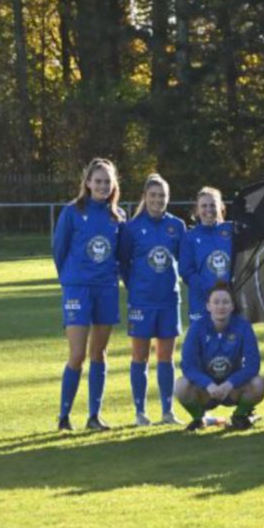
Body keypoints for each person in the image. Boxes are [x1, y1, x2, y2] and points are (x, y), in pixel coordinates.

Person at [53, 158, 126, 431]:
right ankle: (64, 417)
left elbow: (121, 256)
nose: (103, 186)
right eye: (98, 181)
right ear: (87, 183)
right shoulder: (72, 212)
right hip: (78, 290)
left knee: (100, 352)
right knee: (77, 354)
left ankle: (94, 416)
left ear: (113, 185)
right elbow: (59, 251)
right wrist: (71, 281)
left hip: (106, 290)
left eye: (108, 181)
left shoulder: (117, 216)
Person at [117, 173, 187, 426]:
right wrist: (135, 286)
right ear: (145, 197)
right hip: (142, 302)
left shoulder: (177, 226)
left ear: (168, 198)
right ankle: (140, 413)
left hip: (169, 300)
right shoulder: (132, 228)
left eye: (162, 196)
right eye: (153, 195)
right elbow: (123, 263)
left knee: (166, 358)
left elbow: (185, 261)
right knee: (140, 357)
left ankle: (167, 412)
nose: (158, 200)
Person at [175, 282, 264, 430]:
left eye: (225, 302)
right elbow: (188, 366)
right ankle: (199, 418)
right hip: (206, 390)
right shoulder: (197, 327)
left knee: (259, 383)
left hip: (233, 389)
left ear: (232, 306)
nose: (221, 306)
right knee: (181, 385)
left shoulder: (243, 327)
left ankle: (240, 415)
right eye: (216, 302)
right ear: (208, 306)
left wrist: (230, 383)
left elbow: (253, 365)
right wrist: (208, 384)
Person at [179, 186, 235, 325]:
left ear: (220, 207)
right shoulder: (189, 237)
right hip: (201, 303)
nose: (208, 209)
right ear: (197, 210)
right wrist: (210, 293)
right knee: (202, 345)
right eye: (204, 206)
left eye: (212, 205)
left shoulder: (232, 230)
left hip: (229, 302)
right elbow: (186, 271)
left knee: (229, 344)